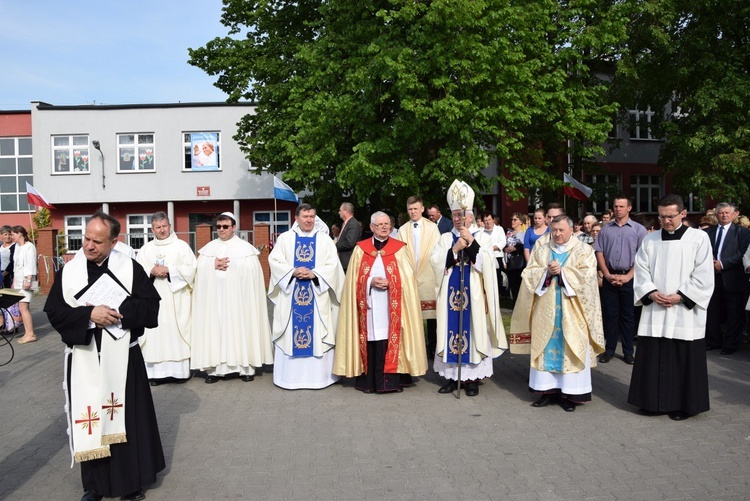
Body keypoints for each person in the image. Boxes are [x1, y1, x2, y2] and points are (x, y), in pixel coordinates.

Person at [43, 210, 164, 501]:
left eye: (97, 241)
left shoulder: (130, 268)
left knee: (127, 417)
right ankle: (94, 486)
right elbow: (54, 312)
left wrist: (119, 311)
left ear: (113, 242)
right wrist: (89, 315)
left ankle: (130, 484)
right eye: (86, 238)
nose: (88, 246)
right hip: (84, 357)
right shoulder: (69, 272)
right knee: (91, 418)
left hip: (123, 358)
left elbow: (151, 309)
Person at [627, 195, 714, 421]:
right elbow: (642, 269)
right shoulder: (650, 240)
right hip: (656, 307)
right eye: (662, 216)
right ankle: (651, 402)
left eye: (670, 216)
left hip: (684, 309)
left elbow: (704, 274)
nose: (666, 221)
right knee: (653, 354)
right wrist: (651, 292)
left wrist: (681, 296)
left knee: (682, 357)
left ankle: (683, 405)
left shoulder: (699, 238)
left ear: (683, 214)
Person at [510, 215, 605, 411]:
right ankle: (546, 392)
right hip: (546, 310)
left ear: (571, 230)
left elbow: (587, 278)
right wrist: (546, 272)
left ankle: (569, 395)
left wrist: (562, 272)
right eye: (554, 230)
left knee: (571, 349)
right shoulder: (542, 248)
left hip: (573, 312)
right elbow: (528, 273)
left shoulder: (584, 250)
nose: (557, 234)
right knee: (545, 348)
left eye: (561, 230)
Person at [333, 211, 427, 393]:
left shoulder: (400, 248)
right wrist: (370, 282)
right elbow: (353, 280)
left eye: (387, 224)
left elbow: (408, 280)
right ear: (371, 227)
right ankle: (368, 382)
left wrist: (391, 282)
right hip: (368, 305)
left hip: (391, 305)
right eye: (380, 225)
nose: (384, 227)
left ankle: (390, 382)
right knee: (371, 339)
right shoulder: (361, 249)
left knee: (389, 338)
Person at [431, 180, 507, 397]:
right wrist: (454, 249)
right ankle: (452, 376)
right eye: (455, 215)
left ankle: (472, 379)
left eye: (462, 215)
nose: (458, 219)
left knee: (473, 332)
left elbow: (489, 264)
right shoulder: (445, 237)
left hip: (473, 295)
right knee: (449, 330)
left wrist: (472, 242)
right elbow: (435, 262)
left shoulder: (482, 236)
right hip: (450, 295)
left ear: (471, 216)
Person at [191, 212, 274, 383]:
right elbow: (196, 269)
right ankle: (214, 371)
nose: (221, 230)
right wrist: (211, 264)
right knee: (216, 330)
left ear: (233, 227)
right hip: (215, 301)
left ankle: (245, 368)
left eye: (225, 226)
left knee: (241, 328)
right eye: (219, 227)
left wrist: (234, 268)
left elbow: (252, 275)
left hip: (239, 301)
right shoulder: (209, 248)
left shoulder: (245, 248)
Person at [268, 203, 345, 389]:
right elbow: (275, 261)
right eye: (305, 217)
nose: (309, 220)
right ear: (296, 218)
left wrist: (315, 274)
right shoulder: (285, 239)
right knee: (291, 332)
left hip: (316, 295)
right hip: (291, 294)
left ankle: (320, 378)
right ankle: (289, 378)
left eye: (312, 216)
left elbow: (332, 265)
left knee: (318, 332)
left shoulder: (324, 240)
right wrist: (292, 271)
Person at [136, 212, 197, 384]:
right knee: (155, 334)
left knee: (175, 333)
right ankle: (155, 374)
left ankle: (180, 373)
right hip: (153, 297)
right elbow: (137, 274)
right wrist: (151, 272)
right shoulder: (145, 250)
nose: (162, 230)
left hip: (176, 299)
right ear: (152, 229)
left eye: (164, 226)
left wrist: (170, 270)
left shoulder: (182, 246)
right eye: (158, 227)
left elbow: (191, 269)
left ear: (170, 226)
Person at [594, 195, 647, 364]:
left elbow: (643, 256)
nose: (618, 209)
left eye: (621, 206)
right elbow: (599, 252)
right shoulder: (605, 229)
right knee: (610, 315)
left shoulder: (639, 230)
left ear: (629, 208)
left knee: (628, 316)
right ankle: (608, 350)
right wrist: (607, 274)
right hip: (610, 276)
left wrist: (628, 276)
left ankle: (628, 352)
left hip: (630, 277)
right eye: (616, 206)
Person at [397, 196, 442, 358]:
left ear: (422, 209)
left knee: (431, 316)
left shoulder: (432, 228)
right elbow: (399, 254)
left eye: (416, 208)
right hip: (409, 275)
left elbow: (438, 251)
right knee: (410, 315)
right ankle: (414, 348)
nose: (413, 212)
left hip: (428, 275)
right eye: (410, 209)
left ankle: (433, 347)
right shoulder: (402, 230)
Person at [704, 202, 750, 354]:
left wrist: (723, 264)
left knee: (733, 313)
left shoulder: (741, 232)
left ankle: (730, 344)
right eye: (721, 212)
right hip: (711, 277)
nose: (724, 215)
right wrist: (711, 263)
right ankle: (713, 341)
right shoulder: (707, 233)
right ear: (716, 215)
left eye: (726, 212)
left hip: (733, 278)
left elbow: (742, 252)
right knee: (712, 311)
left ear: (734, 214)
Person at [11, 225, 37, 344]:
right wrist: (13, 282)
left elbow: (30, 264)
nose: (12, 237)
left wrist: (29, 280)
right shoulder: (17, 246)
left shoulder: (29, 247)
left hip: (26, 280)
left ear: (20, 233)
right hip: (18, 281)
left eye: (13, 234)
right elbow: (16, 266)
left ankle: (30, 334)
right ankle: (27, 332)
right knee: (23, 307)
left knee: (23, 307)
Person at [482, 212, 507, 297]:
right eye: (485, 221)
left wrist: (490, 248)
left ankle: (497, 295)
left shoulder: (499, 229)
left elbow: (502, 242)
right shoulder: (481, 231)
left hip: (497, 256)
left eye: (489, 220)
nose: (487, 222)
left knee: (497, 277)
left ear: (493, 220)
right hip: (485, 257)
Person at [503, 212, 526, 302]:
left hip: (520, 262)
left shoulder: (524, 233)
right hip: (510, 262)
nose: (512, 221)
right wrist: (505, 249)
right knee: (513, 284)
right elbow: (503, 244)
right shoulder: (509, 233)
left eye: (515, 219)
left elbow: (526, 247)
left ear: (521, 221)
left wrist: (516, 248)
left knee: (520, 284)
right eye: (512, 219)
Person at [335, 202, 362, 272]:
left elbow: (349, 243)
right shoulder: (347, 223)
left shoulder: (353, 224)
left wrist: (335, 245)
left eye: (340, 210)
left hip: (348, 262)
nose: (339, 212)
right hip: (344, 261)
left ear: (346, 211)